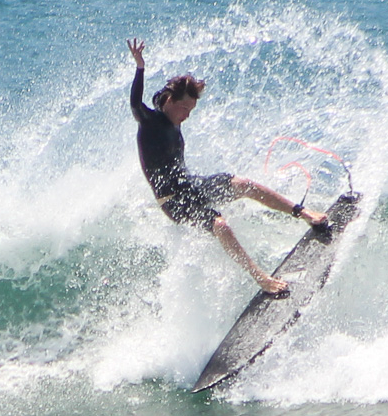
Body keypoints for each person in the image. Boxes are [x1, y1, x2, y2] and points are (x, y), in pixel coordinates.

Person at [127, 38, 327, 295]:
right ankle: (262, 279)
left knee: (244, 185)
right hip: (173, 202)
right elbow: (135, 103)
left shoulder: (174, 123)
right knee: (220, 226)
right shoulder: (150, 121)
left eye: (191, 109)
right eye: (185, 108)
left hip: (191, 186)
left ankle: (305, 213)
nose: (187, 114)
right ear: (169, 101)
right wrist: (140, 68)